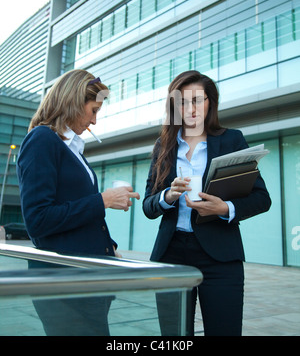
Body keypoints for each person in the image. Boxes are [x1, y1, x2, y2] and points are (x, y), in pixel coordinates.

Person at [143, 70, 271, 336]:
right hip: (171, 255)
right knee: (175, 338)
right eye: (183, 102)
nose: (190, 109)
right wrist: (168, 197)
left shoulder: (231, 140)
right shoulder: (163, 145)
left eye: (197, 100)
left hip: (221, 256)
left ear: (210, 102)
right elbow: (148, 205)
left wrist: (225, 209)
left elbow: (261, 198)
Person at [17, 69, 140, 336]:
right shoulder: (41, 141)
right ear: (73, 102)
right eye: (93, 110)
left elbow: (76, 212)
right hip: (63, 283)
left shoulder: (69, 147)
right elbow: (38, 220)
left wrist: (109, 248)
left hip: (84, 279)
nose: (94, 121)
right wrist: (103, 200)